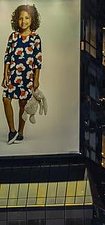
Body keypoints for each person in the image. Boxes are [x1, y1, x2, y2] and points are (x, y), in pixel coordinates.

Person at [2, 4, 41, 145]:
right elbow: (7, 57)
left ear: (32, 19)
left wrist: (36, 79)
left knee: (22, 104)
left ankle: (20, 132)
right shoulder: (13, 36)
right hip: (12, 74)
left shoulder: (36, 38)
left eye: (27, 18)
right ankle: (12, 130)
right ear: (16, 20)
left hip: (27, 76)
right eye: (20, 18)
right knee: (6, 99)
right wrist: (5, 76)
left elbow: (38, 61)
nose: (23, 21)